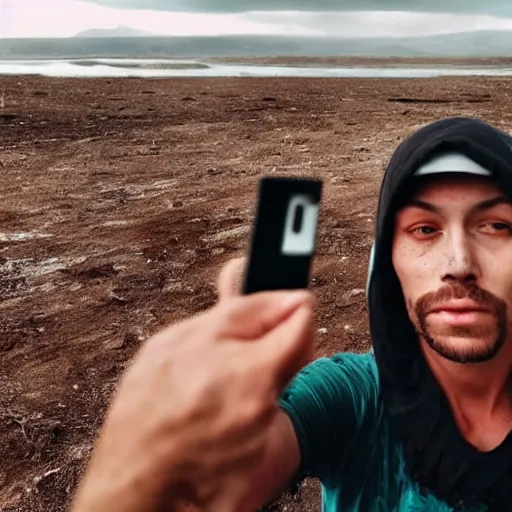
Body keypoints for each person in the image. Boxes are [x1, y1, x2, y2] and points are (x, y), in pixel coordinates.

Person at [71, 116, 512, 512]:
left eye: (495, 225)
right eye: (424, 229)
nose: (459, 263)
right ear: (387, 263)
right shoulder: (356, 399)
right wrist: (141, 462)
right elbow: (221, 478)